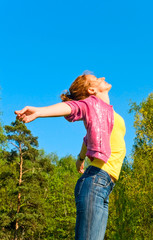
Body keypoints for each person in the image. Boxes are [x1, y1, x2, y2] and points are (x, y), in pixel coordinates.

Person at [15, 73, 126, 240]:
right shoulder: (90, 104)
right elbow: (72, 107)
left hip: (104, 185)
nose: (102, 78)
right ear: (91, 90)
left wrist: (80, 159)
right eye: (97, 79)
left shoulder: (103, 113)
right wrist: (39, 111)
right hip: (96, 182)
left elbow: (87, 138)